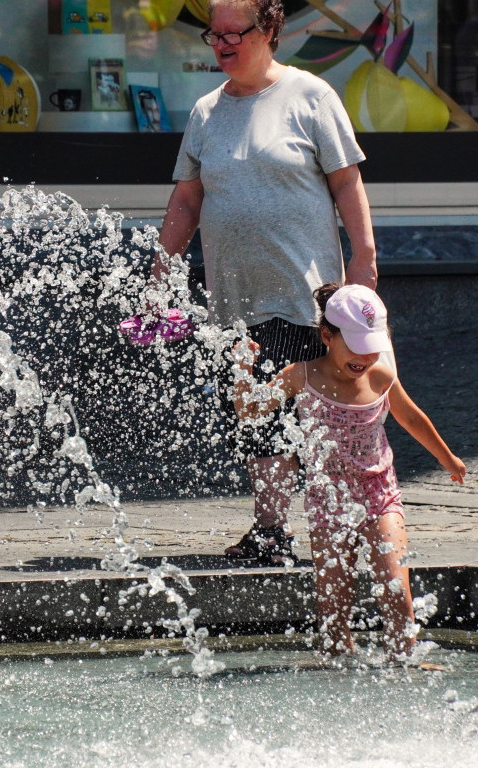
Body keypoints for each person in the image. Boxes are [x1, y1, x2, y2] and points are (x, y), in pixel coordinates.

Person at [150, 0, 378, 564]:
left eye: (235, 32)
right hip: (236, 295)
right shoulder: (207, 110)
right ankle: (277, 530)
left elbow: (347, 184)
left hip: (302, 290)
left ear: (270, 30)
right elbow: (188, 197)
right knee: (257, 413)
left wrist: (365, 259)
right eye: (213, 34)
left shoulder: (309, 96)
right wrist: (162, 266)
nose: (223, 43)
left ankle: (327, 527)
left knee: (313, 413)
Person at [231, 284, 465, 658]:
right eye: (354, 346)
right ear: (327, 336)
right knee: (333, 605)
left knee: (394, 587)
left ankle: (404, 660)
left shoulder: (379, 376)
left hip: (379, 493)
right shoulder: (301, 375)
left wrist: (447, 457)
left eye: (371, 346)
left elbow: (410, 417)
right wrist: (243, 369)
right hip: (328, 499)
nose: (364, 357)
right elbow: (250, 409)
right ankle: (336, 665)